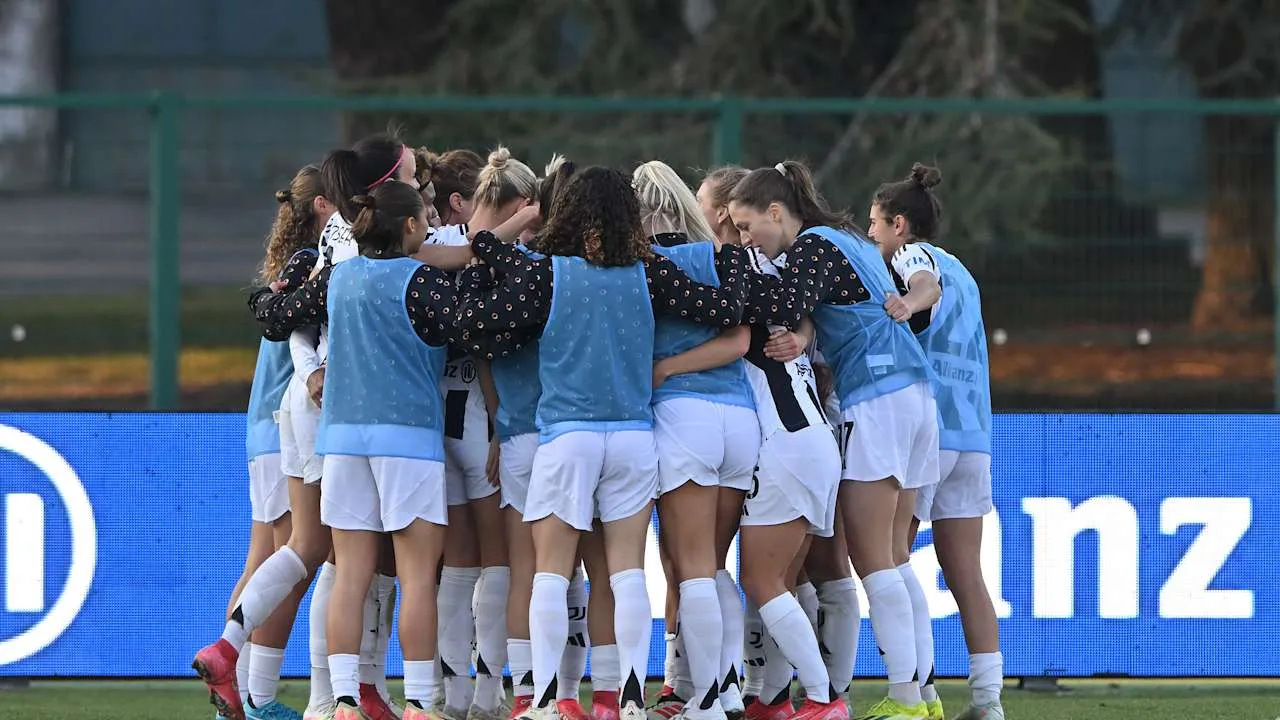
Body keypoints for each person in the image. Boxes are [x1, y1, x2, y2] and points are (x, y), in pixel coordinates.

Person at [454, 166, 746, 720]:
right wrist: (731, 266)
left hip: (568, 438)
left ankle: (541, 700)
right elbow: (722, 311)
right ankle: (631, 697)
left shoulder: (547, 273)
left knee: (549, 571)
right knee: (627, 572)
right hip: (634, 438)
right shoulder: (649, 272)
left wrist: (508, 233)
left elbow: (478, 302)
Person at [249, 179, 527, 720]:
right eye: (422, 219)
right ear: (409, 226)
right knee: (419, 575)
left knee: (349, 575)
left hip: (343, 441)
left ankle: (346, 699)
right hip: (408, 440)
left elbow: (283, 315)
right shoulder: (422, 280)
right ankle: (422, 701)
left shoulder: (340, 278)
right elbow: (473, 327)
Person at [727, 161, 939, 720]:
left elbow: (778, 305)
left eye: (749, 228)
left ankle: (905, 700)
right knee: (896, 556)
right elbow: (825, 311)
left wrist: (733, 277)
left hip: (875, 396)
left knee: (873, 561)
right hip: (915, 391)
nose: (748, 240)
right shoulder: (842, 240)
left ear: (777, 212)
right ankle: (925, 695)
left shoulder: (807, 251)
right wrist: (803, 334)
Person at [194, 165, 332, 720]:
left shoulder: (291, 265)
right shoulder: (314, 267)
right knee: (291, 564)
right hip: (284, 425)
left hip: (264, 425)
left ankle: (236, 692)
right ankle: (256, 696)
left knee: (265, 559)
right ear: (323, 206)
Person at [869, 165, 1002, 720]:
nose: (871, 235)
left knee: (894, 558)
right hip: (974, 434)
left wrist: (906, 304)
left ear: (900, 224)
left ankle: (918, 693)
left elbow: (924, 284)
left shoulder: (912, 257)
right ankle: (988, 700)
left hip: (931, 432)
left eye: (875, 224)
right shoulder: (966, 270)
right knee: (963, 570)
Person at [633, 161, 757, 720]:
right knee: (713, 565)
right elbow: (738, 341)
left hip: (683, 418)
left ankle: (703, 700)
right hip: (740, 418)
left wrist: (666, 369)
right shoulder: (722, 255)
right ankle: (727, 691)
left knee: (690, 569)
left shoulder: (641, 266)